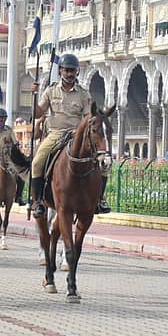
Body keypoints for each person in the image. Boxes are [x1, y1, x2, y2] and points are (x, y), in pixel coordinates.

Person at [29, 53, 110, 217]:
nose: (69, 74)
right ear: (60, 71)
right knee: (37, 162)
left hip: (76, 134)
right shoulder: (51, 91)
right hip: (55, 134)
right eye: (66, 70)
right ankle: (37, 201)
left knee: (104, 164)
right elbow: (38, 113)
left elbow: (89, 117)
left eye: (72, 70)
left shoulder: (83, 94)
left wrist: (80, 130)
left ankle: (99, 200)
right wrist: (34, 96)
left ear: (77, 72)